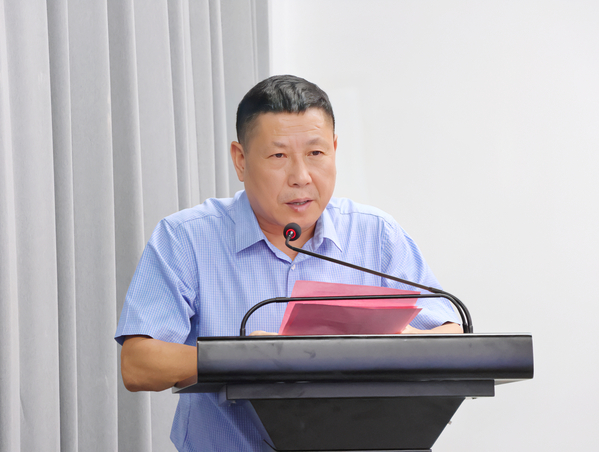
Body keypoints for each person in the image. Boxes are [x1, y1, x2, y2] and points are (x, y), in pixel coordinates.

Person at [115, 75, 462, 451]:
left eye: (316, 154)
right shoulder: (187, 237)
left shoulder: (376, 234)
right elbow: (138, 364)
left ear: (334, 149)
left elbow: (451, 333)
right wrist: (244, 358)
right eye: (278, 156)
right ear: (241, 160)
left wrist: (391, 342)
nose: (301, 177)